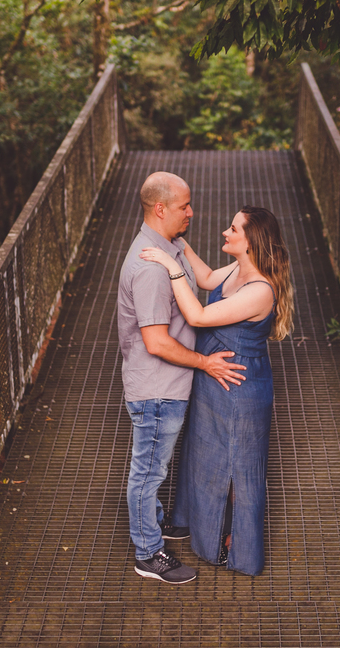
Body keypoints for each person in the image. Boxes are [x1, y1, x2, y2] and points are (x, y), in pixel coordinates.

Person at [139, 205, 294, 576]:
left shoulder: (260, 290)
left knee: (237, 468)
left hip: (239, 389)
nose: (225, 233)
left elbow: (199, 316)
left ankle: (234, 546)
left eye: (233, 229)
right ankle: (193, 523)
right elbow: (207, 278)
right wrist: (178, 244)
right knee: (202, 452)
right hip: (213, 380)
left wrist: (172, 266)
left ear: (251, 242)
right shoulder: (240, 269)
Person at [117, 171, 247, 585]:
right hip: (157, 388)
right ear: (160, 209)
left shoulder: (171, 246)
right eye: (183, 206)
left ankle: (153, 524)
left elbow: (208, 279)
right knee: (149, 471)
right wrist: (206, 363)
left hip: (168, 386)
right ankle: (148, 552)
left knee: (155, 466)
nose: (192, 213)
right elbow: (156, 342)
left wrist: (256, 258)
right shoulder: (151, 268)